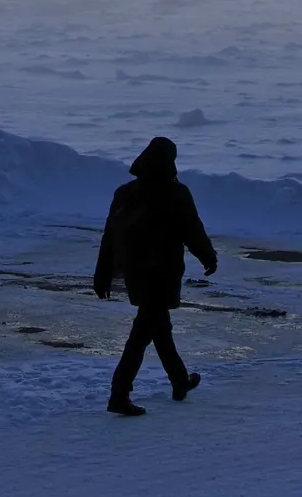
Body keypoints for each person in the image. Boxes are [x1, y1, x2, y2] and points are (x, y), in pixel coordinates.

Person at [93, 135, 218, 416]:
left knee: (159, 328)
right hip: (161, 274)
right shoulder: (176, 193)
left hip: (136, 273)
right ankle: (119, 393)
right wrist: (208, 256)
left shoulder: (125, 193)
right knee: (142, 334)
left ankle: (179, 381)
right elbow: (192, 229)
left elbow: (110, 237)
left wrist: (102, 274)